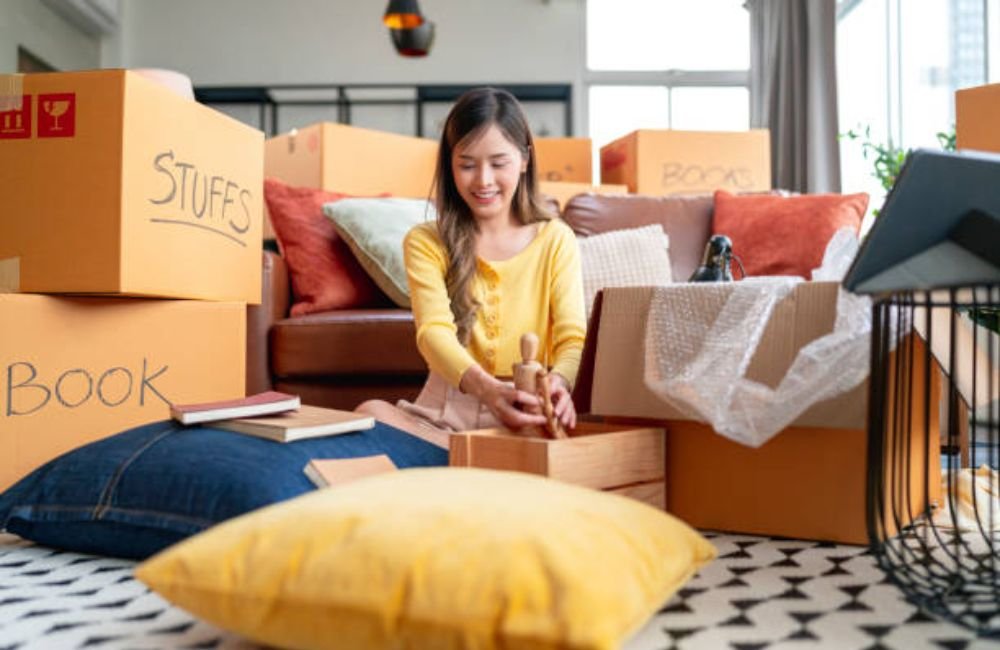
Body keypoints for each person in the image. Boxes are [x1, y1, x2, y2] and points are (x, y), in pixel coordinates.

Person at [357, 87, 586, 448]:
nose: (483, 180)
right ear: (450, 164)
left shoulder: (556, 239)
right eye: (467, 164)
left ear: (524, 159)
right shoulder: (426, 241)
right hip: (445, 412)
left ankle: (460, 469)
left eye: (498, 163)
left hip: (525, 408)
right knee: (369, 413)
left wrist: (559, 385)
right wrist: (488, 390)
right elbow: (433, 333)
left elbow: (572, 338)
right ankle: (463, 464)